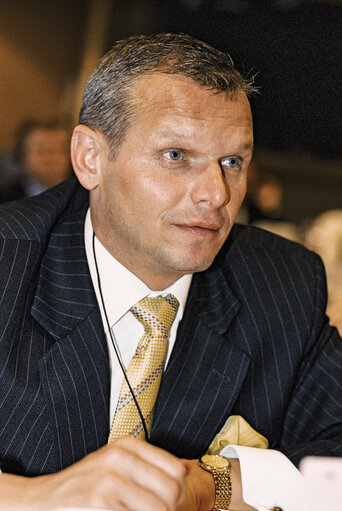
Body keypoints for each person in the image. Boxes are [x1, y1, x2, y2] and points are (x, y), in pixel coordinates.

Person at [0, 33, 341, 511]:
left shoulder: (281, 283)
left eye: (232, 162)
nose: (216, 194)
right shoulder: (9, 263)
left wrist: (210, 486)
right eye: (176, 156)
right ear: (90, 158)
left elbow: (335, 468)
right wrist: (35, 496)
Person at [0, 119, 72, 203]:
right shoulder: (5, 198)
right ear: (22, 154)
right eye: (41, 150)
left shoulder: (85, 196)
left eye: (58, 150)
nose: (50, 157)